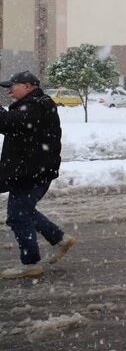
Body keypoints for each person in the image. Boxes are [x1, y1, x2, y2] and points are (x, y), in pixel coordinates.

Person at [0, 71, 76, 279]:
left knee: (18, 215)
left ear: (27, 86)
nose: (9, 90)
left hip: (32, 173)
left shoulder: (37, 105)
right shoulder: (34, 104)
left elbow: (8, 122)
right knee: (23, 211)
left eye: (12, 86)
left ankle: (31, 263)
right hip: (28, 171)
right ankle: (59, 238)